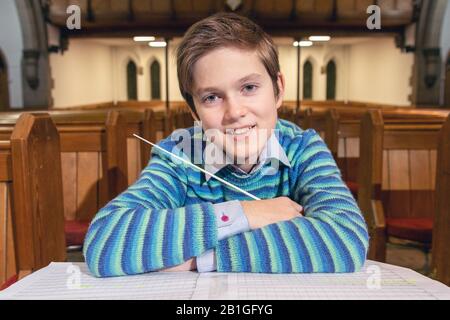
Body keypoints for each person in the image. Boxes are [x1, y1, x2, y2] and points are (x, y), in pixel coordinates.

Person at [83, 12, 368, 277]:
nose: (234, 112)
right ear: (194, 110)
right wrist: (247, 213)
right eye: (211, 97)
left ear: (278, 89)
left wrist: (202, 260)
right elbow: (104, 241)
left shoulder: (304, 148)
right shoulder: (178, 155)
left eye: (249, 88)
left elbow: (346, 238)